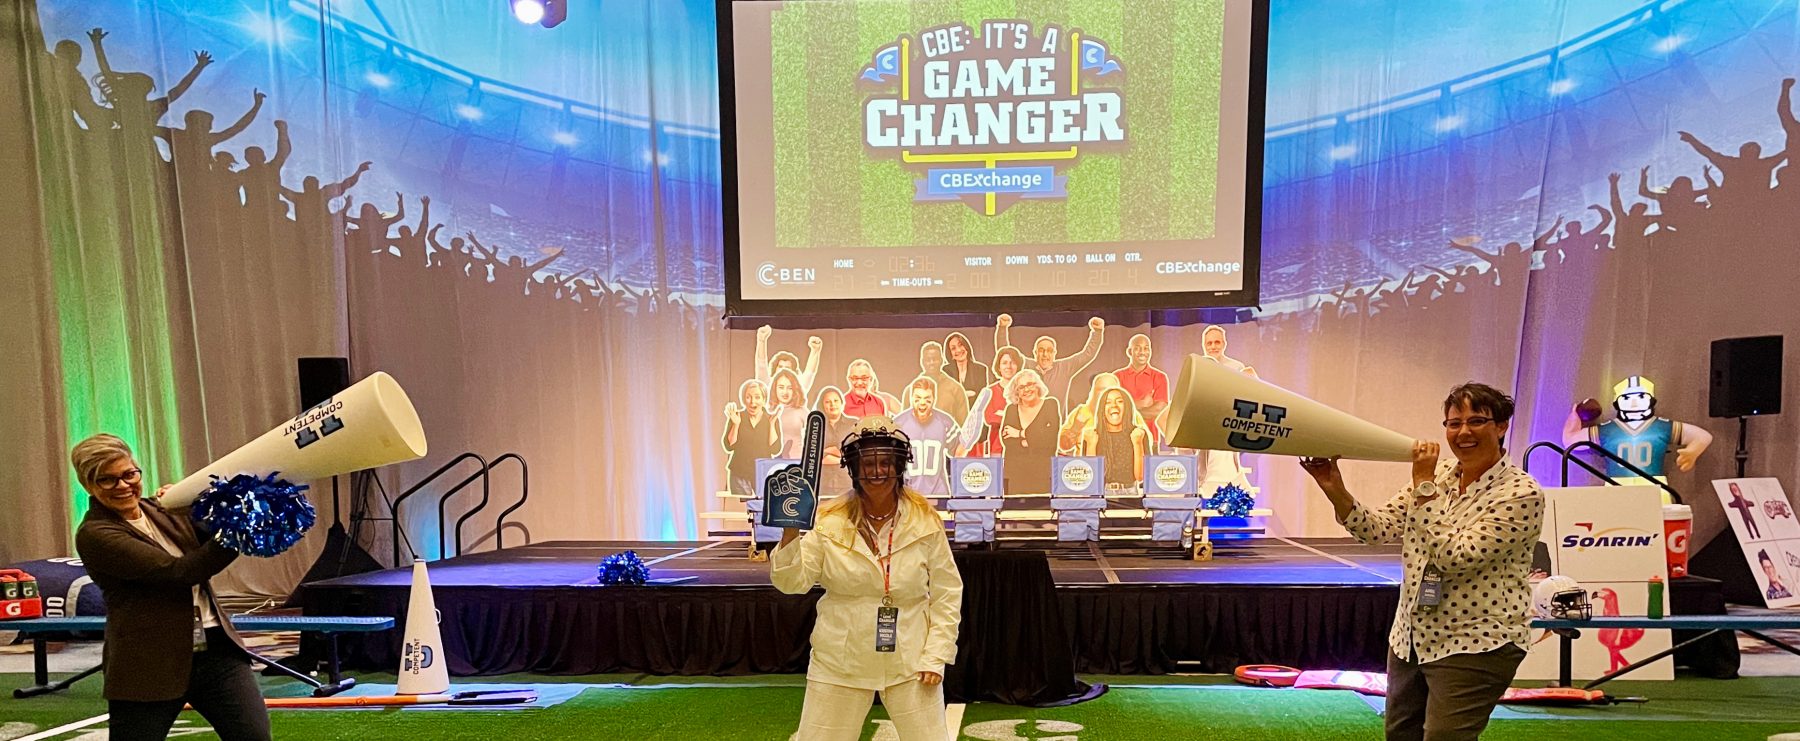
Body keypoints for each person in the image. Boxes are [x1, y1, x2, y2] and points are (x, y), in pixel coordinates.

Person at [1299, 383, 1543, 741]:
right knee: (1401, 736)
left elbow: (1454, 557)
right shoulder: (1439, 476)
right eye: (1453, 423)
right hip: (1411, 639)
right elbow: (1377, 530)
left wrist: (1424, 485)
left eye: (1476, 421)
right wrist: (1334, 488)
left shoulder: (1521, 493)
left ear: (1502, 426)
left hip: (1476, 642)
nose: (1463, 432)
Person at [771, 416, 963, 741]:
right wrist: (790, 529)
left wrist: (936, 654)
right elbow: (793, 583)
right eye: (868, 463)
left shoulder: (925, 521)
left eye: (886, 462)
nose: (877, 472)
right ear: (853, 467)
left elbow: (947, 593)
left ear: (899, 466)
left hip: (911, 660)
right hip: (839, 661)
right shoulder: (829, 522)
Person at [70, 434, 273, 741]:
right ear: (88, 486)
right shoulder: (96, 534)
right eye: (107, 480)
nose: (124, 486)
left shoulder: (161, 508)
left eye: (129, 474)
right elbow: (182, 572)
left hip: (217, 651)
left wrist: (204, 504)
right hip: (150, 665)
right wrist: (237, 527)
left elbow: (206, 538)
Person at [995, 314, 1105, 406]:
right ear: (1035, 353)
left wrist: (1097, 331)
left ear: (1054, 354)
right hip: (1027, 427)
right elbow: (1005, 353)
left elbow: (1087, 354)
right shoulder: (1025, 365)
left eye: (1049, 351)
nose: (1045, 354)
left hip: (1056, 428)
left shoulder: (1065, 367)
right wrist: (1002, 328)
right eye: (1041, 350)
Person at [1000, 370, 1061, 495]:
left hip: (1044, 474)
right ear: (1016, 392)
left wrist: (1020, 434)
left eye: (1030, 384)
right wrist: (1035, 439)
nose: (1026, 390)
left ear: (1037, 385)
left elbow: (1049, 440)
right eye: (1021, 387)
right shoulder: (1011, 409)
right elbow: (1008, 442)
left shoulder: (1051, 404)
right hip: (1015, 476)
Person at [895, 377, 958, 496]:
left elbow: (958, 452)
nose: (922, 403)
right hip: (907, 494)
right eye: (918, 398)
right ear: (911, 398)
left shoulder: (945, 422)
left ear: (934, 399)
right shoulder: (898, 424)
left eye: (927, 398)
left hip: (938, 494)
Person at [1081, 387, 1149, 487]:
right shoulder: (1091, 435)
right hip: (1100, 493)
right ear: (1102, 409)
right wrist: (1091, 445)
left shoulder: (1138, 434)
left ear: (1127, 407)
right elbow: (1090, 479)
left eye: (1120, 401)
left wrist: (1137, 444)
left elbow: (1140, 477)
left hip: (1129, 493)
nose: (1114, 405)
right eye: (1108, 402)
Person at [1112, 334, 1170, 445]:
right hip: (1121, 440)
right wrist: (1143, 403)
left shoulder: (1159, 377)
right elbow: (1113, 409)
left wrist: (1128, 409)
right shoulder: (1117, 377)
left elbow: (1158, 411)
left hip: (1150, 440)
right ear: (1129, 352)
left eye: (1146, 348)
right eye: (1137, 348)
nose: (1142, 352)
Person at [941, 331, 991, 411]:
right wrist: (967, 394)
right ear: (950, 354)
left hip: (974, 413)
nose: (958, 350)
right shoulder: (946, 371)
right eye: (953, 348)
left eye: (960, 345)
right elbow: (947, 398)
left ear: (966, 347)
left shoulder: (980, 369)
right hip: (954, 415)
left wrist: (958, 395)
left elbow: (981, 397)